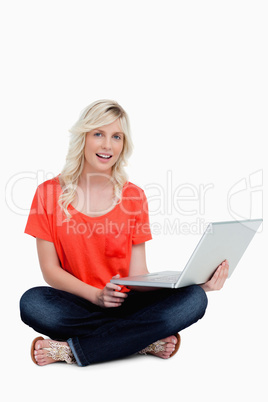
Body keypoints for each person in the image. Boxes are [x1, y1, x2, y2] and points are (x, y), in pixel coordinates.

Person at [20, 99, 229, 367]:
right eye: (99, 134)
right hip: (78, 301)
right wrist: (96, 295)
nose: (108, 145)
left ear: (123, 144)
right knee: (33, 303)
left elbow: (138, 273)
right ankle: (142, 341)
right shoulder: (47, 193)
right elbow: (50, 270)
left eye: (116, 137)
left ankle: (72, 351)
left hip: (125, 301)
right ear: (83, 138)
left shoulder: (134, 196)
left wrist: (193, 283)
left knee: (195, 300)